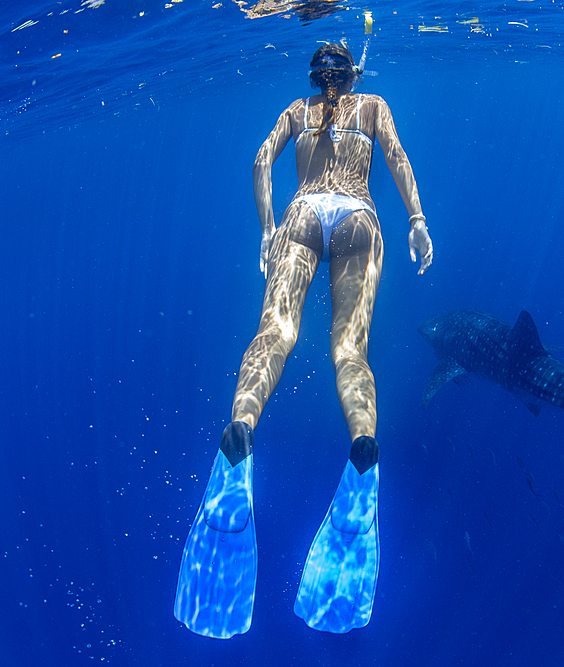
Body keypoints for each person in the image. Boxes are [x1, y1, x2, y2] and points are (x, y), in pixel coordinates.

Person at [174, 42, 433, 639]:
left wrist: (267, 229)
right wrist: (417, 220)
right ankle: (362, 447)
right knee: (349, 351)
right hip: (359, 218)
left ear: (316, 78)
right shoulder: (372, 107)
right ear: (353, 73)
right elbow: (395, 155)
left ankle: (242, 428)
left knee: (276, 330)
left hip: (301, 214)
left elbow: (261, 159)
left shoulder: (295, 111)